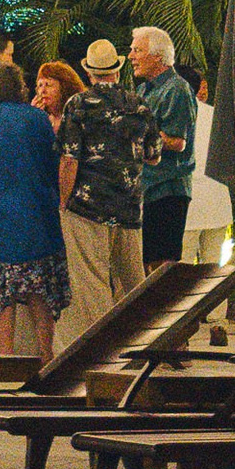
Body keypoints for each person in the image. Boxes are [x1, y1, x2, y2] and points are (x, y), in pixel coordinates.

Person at [0, 60, 70, 364]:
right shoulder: (38, 119)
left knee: (0, 290)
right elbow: (52, 163)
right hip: (35, 212)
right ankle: (46, 352)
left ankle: (6, 357)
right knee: (40, 288)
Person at [58, 39, 147, 318]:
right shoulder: (137, 103)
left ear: (89, 73)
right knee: (134, 280)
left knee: (92, 279)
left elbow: (69, 159)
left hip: (88, 205)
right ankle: (150, 339)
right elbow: (153, 153)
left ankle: (102, 347)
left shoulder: (78, 104)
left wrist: (63, 200)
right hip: (128, 205)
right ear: (117, 72)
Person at [132, 25, 198, 264]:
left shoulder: (177, 89)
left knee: (162, 267)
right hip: (147, 188)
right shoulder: (143, 89)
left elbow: (178, 142)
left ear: (157, 56)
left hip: (167, 189)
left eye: (137, 51)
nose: (131, 57)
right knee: (145, 262)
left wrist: (135, 135)